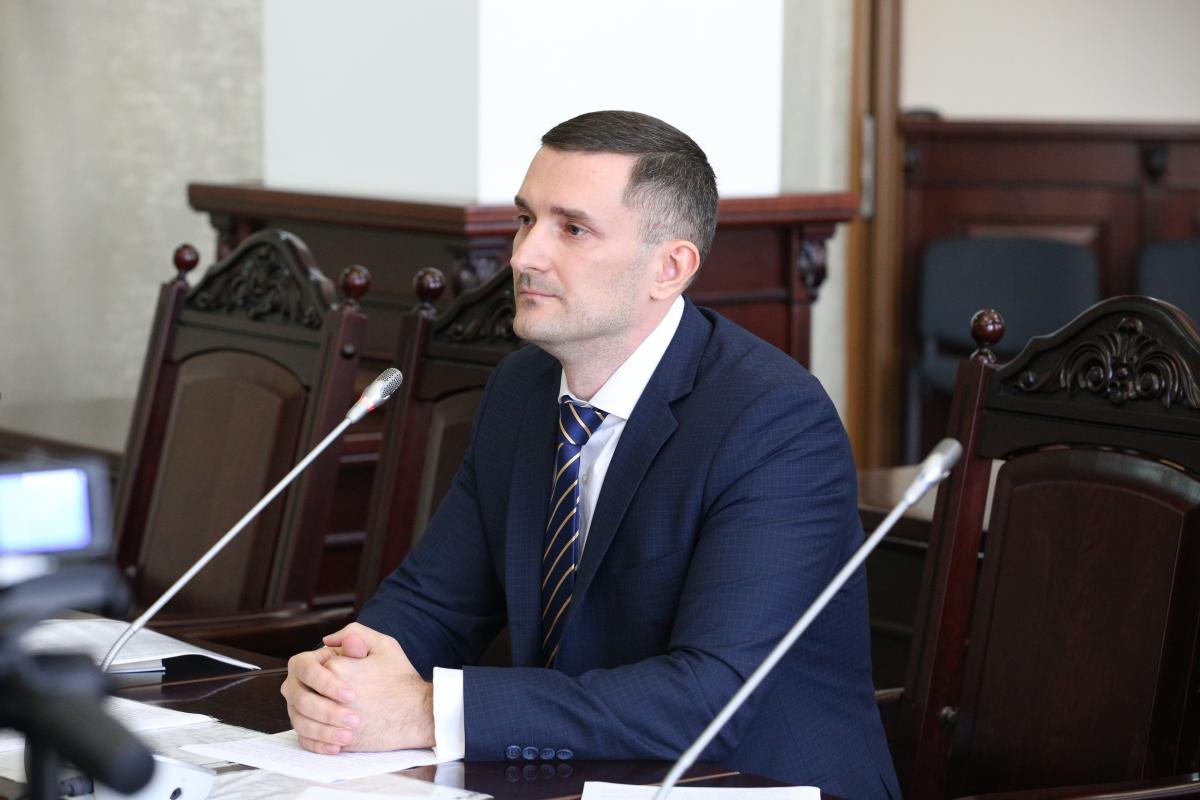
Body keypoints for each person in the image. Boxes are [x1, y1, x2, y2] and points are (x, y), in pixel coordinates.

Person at [281, 110, 900, 799]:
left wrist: (428, 711)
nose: (524, 256)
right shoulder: (521, 388)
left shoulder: (774, 421)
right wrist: (344, 678)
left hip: (748, 782)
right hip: (574, 775)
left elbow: (709, 699)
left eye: (572, 229)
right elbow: (434, 603)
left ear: (669, 267)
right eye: (525, 219)